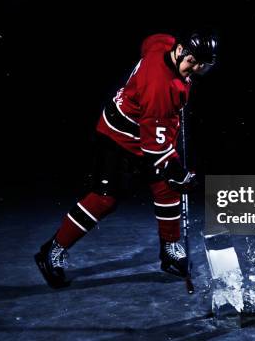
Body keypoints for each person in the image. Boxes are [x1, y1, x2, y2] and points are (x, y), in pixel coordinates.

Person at [35, 31, 218, 288]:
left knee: (167, 189)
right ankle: (52, 251)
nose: (194, 72)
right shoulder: (160, 88)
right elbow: (154, 144)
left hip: (146, 131)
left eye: (202, 67)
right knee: (105, 199)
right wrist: (176, 170)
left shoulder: (163, 44)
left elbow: (149, 42)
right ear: (180, 52)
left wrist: (172, 173)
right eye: (192, 64)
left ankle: (169, 248)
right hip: (119, 138)